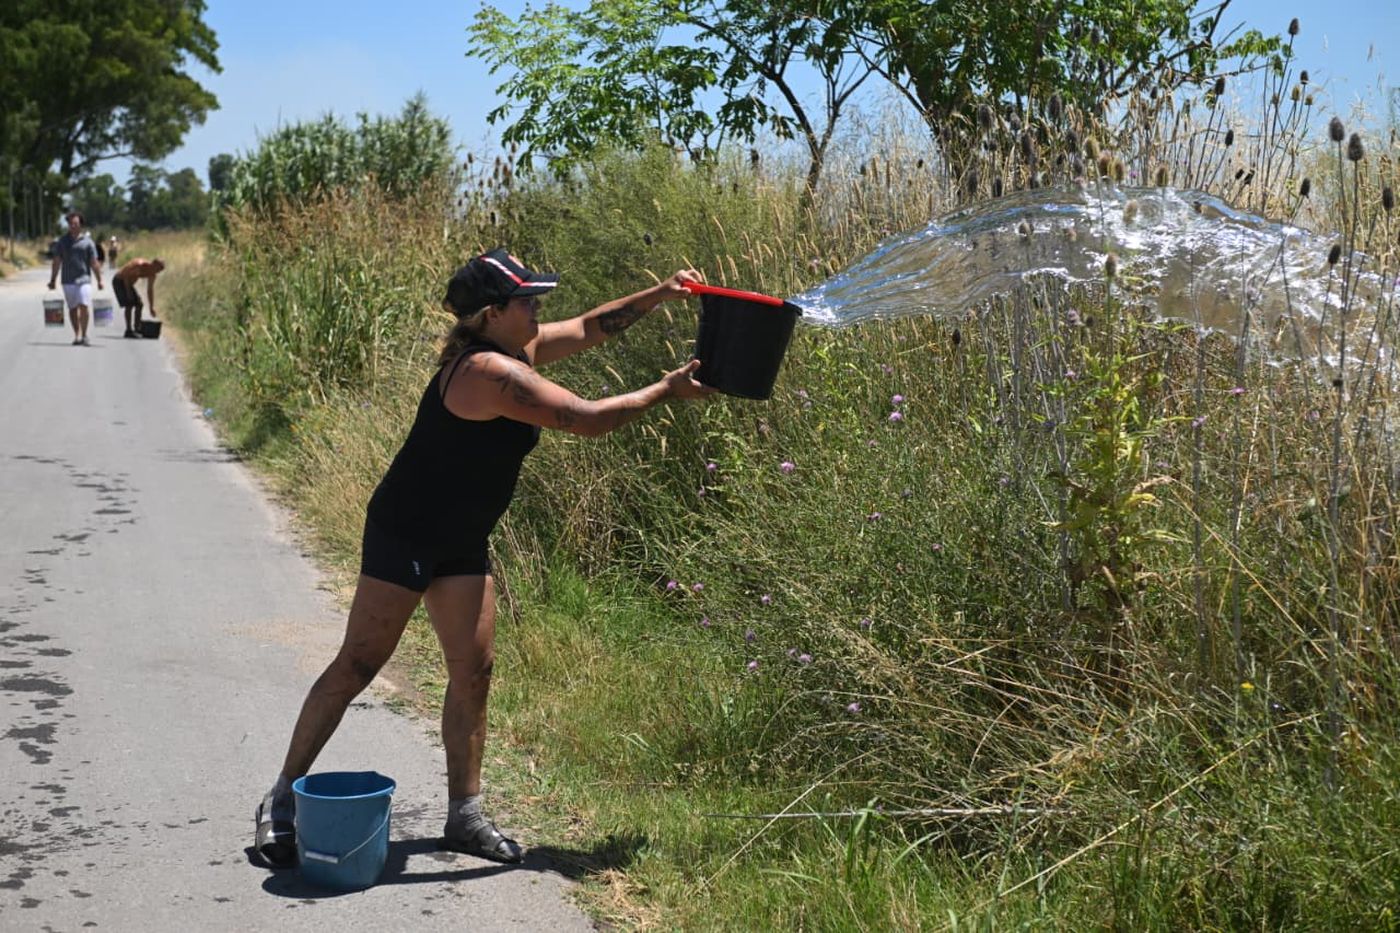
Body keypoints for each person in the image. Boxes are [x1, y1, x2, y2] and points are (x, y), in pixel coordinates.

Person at [255, 248, 714, 868]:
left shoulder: (514, 349)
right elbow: (584, 419)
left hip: (461, 537)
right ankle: (281, 800)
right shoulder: (486, 374)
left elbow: (588, 328)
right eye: (529, 301)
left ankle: (463, 817)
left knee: (474, 670)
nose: (539, 310)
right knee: (360, 663)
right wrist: (667, 389)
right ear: (494, 313)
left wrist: (660, 293)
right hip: (407, 533)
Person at [47, 211, 103, 346]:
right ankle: (76, 334)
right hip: (67, 281)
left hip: (84, 279)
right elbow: (56, 261)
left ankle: (84, 335)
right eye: (70, 223)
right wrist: (53, 279)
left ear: (80, 225)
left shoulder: (88, 242)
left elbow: (94, 262)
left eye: (75, 223)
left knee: (84, 305)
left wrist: (100, 280)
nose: (72, 226)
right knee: (72, 309)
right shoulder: (62, 241)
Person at [113, 257, 166, 338]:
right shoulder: (139, 265)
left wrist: (151, 307)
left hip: (129, 284)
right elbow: (126, 277)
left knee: (139, 304)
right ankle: (128, 330)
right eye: (158, 269)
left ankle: (137, 328)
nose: (158, 272)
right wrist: (128, 293)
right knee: (129, 304)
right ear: (153, 265)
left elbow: (150, 290)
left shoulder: (152, 275)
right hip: (119, 280)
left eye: (160, 270)